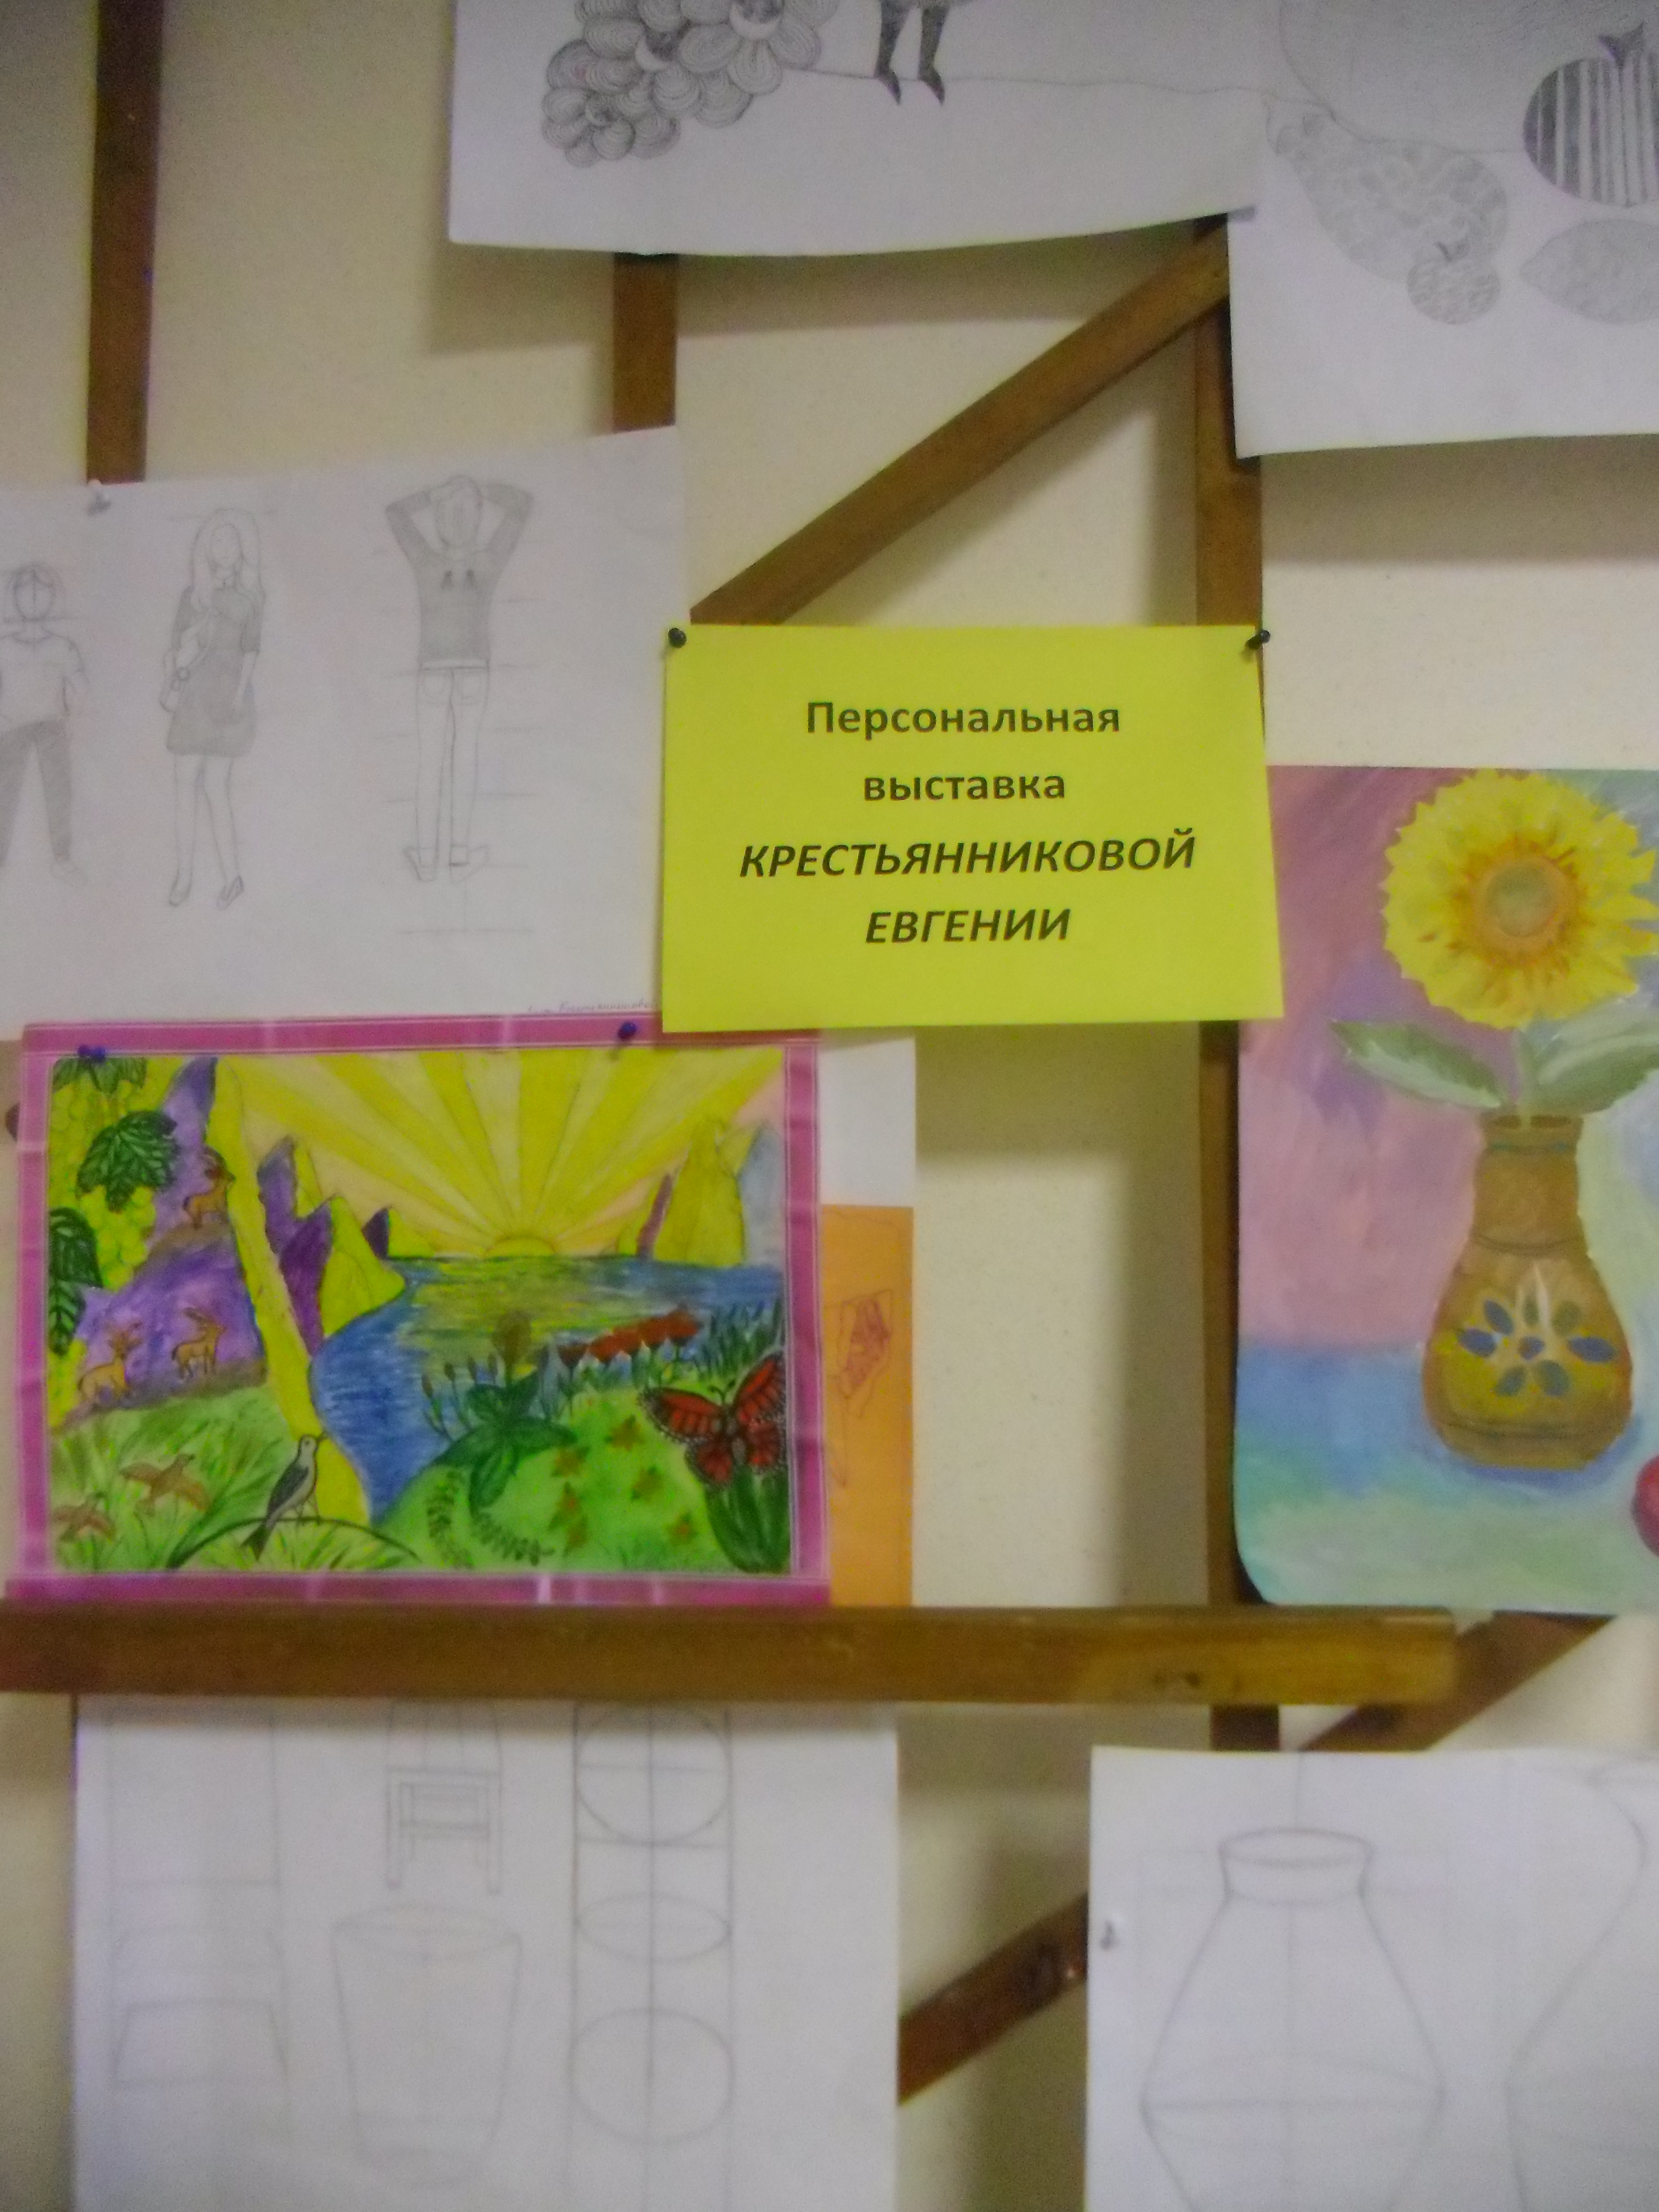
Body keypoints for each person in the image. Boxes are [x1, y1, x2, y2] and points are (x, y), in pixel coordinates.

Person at [385, 475, 532, 883]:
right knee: (465, 758)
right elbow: (522, 505)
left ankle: (426, 859)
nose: (456, 517)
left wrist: (432, 495)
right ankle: (459, 858)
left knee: (430, 762)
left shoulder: (427, 563)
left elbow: (395, 513)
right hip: (474, 671)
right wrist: (483, 489)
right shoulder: (487, 562)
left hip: (432, 670)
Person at [164, 509, 262, 909]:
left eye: (231, 540)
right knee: (184, 784)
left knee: (216, 788)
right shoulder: (193, 596)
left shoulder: (250, 597)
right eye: (217, 540)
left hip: (228, 701)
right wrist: (180, 659)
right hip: (193, 700)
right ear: (206, 549)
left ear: (243, 548)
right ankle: (185, 875)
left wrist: (238, 695)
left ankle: (232, 877)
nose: (224, 548)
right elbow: (174, 646)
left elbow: (251, 650)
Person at [0, 563, 86, 882]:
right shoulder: (4, 646)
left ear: (53, 597)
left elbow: (81, 687)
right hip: (11, 726)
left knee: (59, 792)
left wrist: (72, 721)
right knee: (4, 791)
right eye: (26, 590)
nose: (34, 596)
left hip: (52, 724)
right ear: (14, 596)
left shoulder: (62, 646)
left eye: (42, 590)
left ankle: (62, 859)